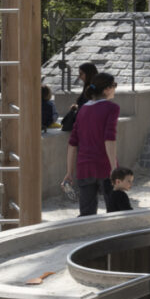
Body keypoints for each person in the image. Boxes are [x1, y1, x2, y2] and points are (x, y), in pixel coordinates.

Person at [64, 72, 119, 216]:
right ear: (107, 89)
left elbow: (72, 143)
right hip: (105, 165)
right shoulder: (112, 108)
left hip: (84, 167)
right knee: (115, 211)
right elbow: (109, 139)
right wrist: (114, 168)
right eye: (114, 85)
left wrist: (69, 172)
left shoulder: (82, 109)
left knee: (86, 215)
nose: (115, 89)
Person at [60, 62, 99, 131]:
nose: (79, 77)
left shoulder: (92, 89)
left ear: (88, 73)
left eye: (81, 74)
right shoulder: (91, 87)